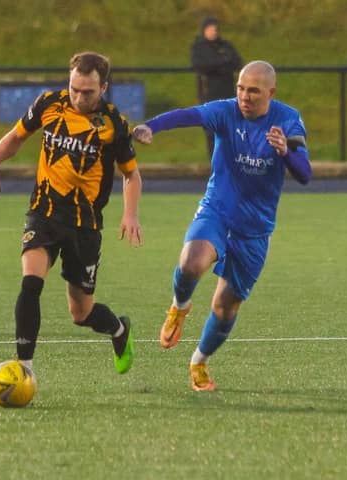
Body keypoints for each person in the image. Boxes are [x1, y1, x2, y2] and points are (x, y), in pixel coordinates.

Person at [133, 60, 311, 391]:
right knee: (191, 262)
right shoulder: (225, 112)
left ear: (271, 93)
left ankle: (199, 361)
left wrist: (286, 152)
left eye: (254, 90)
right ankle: (179, 307)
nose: (245, 96)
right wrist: (151, 127)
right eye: (241, 88)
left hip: (255, 228)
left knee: (225, 307)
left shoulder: (287, 120)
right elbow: (188, 115)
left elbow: (305, 173)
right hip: (217, 210)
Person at [0, 51, 142, 379]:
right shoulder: (49, 103)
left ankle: (118, 330)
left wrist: (130, 214)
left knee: (81, 313)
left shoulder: (114, 124)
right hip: (44, 213)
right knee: (30, 284)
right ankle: (25, 369)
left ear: (104, 87)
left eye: (88, 92)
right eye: (74, 88)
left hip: (85, 225)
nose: (79, 97)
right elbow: (16, 137)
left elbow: (131, 175)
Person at [191, 16, 243, 158]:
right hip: (208, 94)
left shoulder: (225, 45)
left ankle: (230, 159)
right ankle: (214, 160)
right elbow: (201, 66)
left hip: (227, 93)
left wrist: (221, 64)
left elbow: (237, 62)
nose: (213, 32)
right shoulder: (199, 48)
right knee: (211, 129)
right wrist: (221, 63)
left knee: (229, 128)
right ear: (204, 31)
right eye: (210, 29)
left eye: (215, 29)